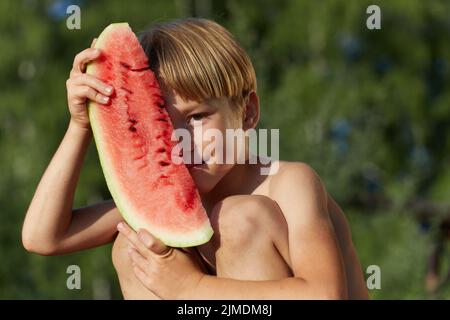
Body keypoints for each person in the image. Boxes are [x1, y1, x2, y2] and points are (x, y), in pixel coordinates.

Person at [22, 18, 368, 300]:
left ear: (247, 113)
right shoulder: (163, 197)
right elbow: (44, 237)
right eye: (159, 125)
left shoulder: (289, 183)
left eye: (198, 117)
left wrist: (192, 289)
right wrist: (82, 125)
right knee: (134, 248)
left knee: (237, 220)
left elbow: (325, 295)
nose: (177, 140)